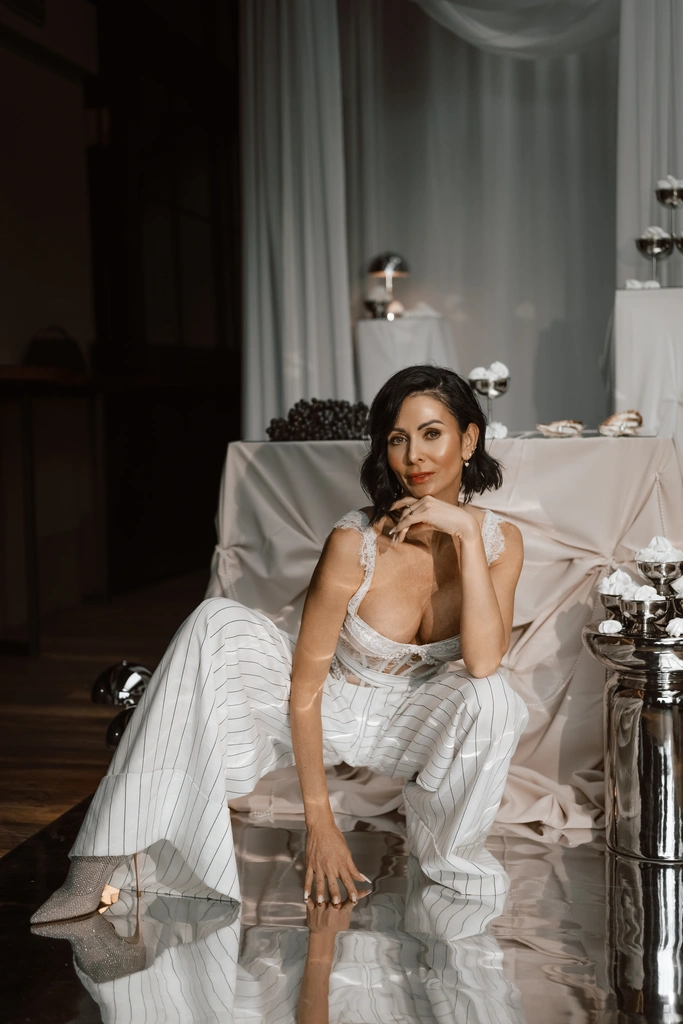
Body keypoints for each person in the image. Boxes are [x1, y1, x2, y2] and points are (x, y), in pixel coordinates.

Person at [31, 364, 528, 925]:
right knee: (216, 619)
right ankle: (97, 865)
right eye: (397, 438)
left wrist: (464, 533)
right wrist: (320, 824)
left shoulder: (499, 542)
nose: (414, 456)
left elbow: (483, 661)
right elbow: (306, 688)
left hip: (417, 721)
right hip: (331, 703)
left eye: (431, 433)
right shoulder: (355, 541)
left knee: (495, 697)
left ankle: (451, 870)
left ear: (469, 438)